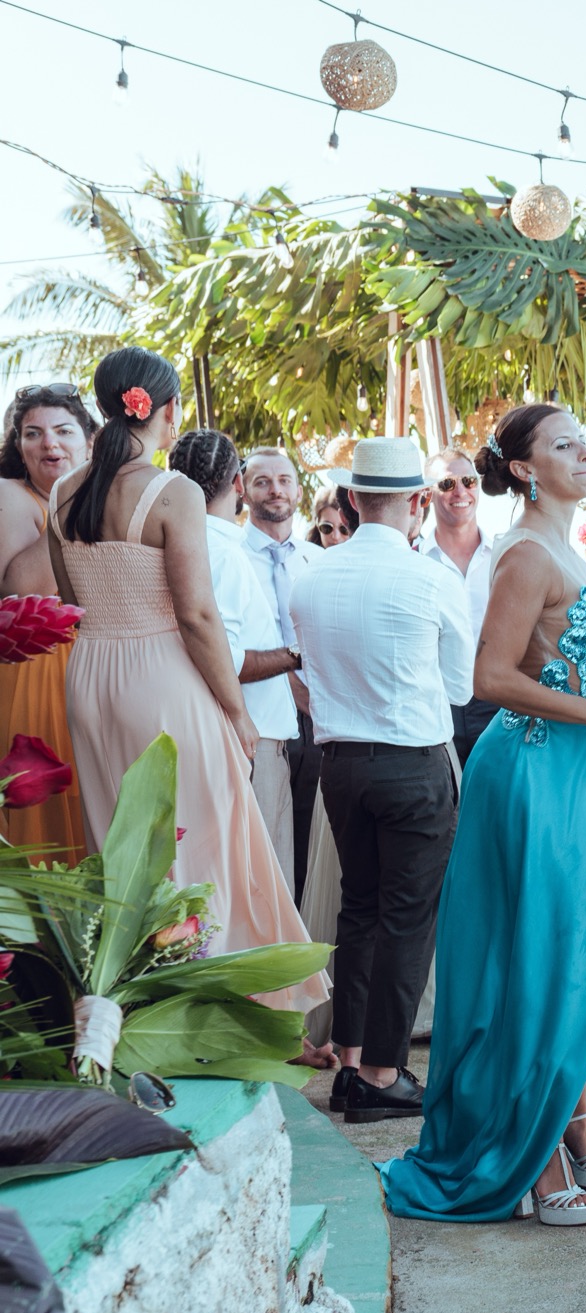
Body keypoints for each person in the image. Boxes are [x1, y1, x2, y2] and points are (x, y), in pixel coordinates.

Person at [378, 402, 586, 1227]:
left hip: (584, 775)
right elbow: (489, 677)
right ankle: (532, 1158)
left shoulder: (564, 547)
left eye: (582, 440)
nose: (583, 452)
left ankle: (569, 1123)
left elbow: (564, 651)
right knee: (547, 957)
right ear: (526, 468)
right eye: (563, 444)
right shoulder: (525, 554)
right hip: (533, 769)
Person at [45, 348, 325, 1010]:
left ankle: (136, 1005)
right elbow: (198, 613)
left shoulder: (62, 493)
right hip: (163, 676)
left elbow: (70, 599)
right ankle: (209, 1008)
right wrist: (237, 712)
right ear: (166, 412)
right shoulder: (171, 490)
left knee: (120, 844)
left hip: (90, 677)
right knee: (198, 839)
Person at [292, 438, 476, 1124]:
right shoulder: (431, 578)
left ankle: (349, 1059)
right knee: (406, 919)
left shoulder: (311, 576)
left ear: (349, 500)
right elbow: (459, 686)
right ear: (418, 503)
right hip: (411, 761)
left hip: (341, 764)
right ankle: (384, 1072)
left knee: (358, 908)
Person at [168, 430, 305, 887]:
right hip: (251, 740)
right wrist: (295, 656)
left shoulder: (178, 544)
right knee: (266, 885)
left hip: (216, 732)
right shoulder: (221, 552)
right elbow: (221, 655)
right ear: (239, 484)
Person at [0, 383, 95, 857]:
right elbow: (25, 590)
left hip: (94, 670)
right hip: (37, 674)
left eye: (62, 431)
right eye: (32, 434)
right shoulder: (14, 496)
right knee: (50, 817)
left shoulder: (97, 498)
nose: (49, 444)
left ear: (90, 441)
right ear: (18, 447)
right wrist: (73, 496)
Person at [241, 446, 324, 894]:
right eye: (262, 481)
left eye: (284, 480)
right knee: (266, 846)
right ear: (242, 488)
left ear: (297, 488)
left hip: (320, 722)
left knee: (312, 844)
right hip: (258, 723)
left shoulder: (318, 560)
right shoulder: (228, 556)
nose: (275, 490)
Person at [418, 448, 499, 762]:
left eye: (468, 481)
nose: (461, 492)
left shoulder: (504, 556)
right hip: (436, 702)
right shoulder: (414, 560)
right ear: (428, 494)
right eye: (448, 484)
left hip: (497, 697)